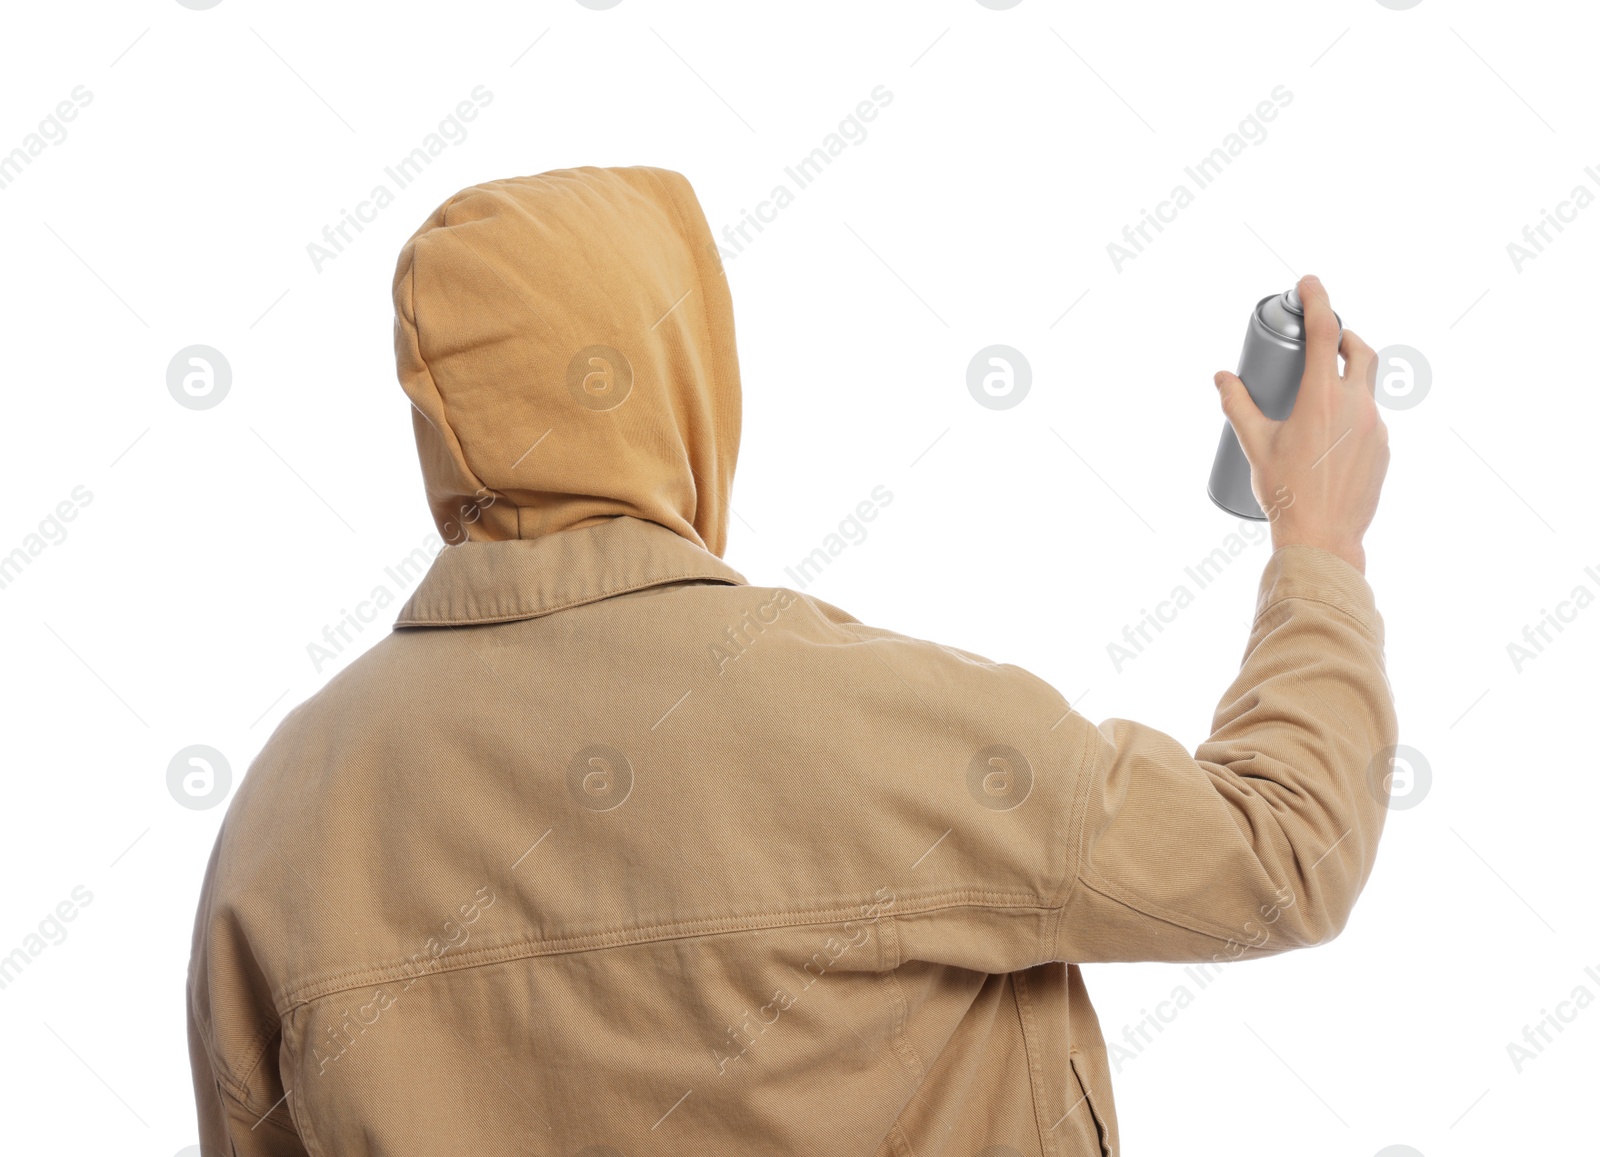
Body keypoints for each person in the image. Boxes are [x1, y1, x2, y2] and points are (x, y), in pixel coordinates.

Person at [186, 165, 1394, 1156]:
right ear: (681, 378)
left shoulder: (283, 824)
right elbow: (1281, 850)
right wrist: (1319, 543)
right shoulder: (867, 724)